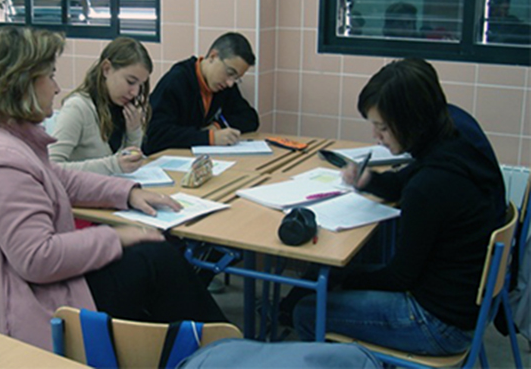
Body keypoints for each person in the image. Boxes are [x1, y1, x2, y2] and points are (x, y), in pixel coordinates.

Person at [0, 26, 227, 351]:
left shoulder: (9, 138)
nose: (56, 87)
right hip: (15, 309)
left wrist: (128, 193)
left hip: (36, 287)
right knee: (156, 261)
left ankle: (211, 350)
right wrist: (117, 236)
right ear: (21, 84)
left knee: (157, 260)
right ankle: (225, 351)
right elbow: (37, 258)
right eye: (49, 76)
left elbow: (59, 177)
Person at [293, 58, 506, 356]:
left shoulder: (431, 185)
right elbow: (403, 183)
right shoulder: (453, 139)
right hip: (466, 306)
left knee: (307, 310)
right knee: (344, 272)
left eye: (382, 127)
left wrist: (344, 279)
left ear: (410, 120)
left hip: (438, 324)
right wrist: (366, 180)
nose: (375, 137)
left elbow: (400, 277)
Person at [143, 32, 259, 155]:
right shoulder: (177, 80)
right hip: (164, 160)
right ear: (213, 56)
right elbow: (154, 135)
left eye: (236, 78)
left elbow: (250, 118)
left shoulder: (224, 86)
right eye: (230, 73)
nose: (230, 83)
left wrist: (217, 126)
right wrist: (209, 138)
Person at [48, 37, 151, 175]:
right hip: (81, 195)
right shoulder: (77, 108)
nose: (135, 92)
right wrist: (114, 165)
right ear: (106, 69)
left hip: (112, 191)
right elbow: (51, 168)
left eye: (141, 85)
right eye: (130, 81)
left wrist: (134, 132)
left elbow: (127, 167)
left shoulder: (122, 108)